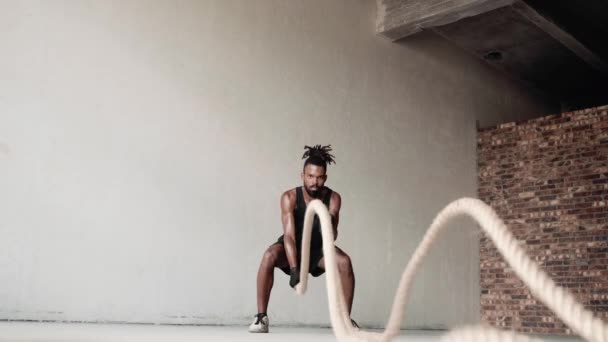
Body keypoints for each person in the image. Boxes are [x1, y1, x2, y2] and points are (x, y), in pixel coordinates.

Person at [249, 145, 357, 333]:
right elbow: (289, 236)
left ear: (325, 177)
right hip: (292, 248)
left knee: (344, 262)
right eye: (310, 176)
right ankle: (261, 318)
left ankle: (345, 322)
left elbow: (332, 236)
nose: (314, 182)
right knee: (268, 256)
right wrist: (294, 269)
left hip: (318, 249)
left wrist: (327, 218)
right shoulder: (289, 197)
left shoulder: (333, 198)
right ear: (302, 176)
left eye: (319, 177)